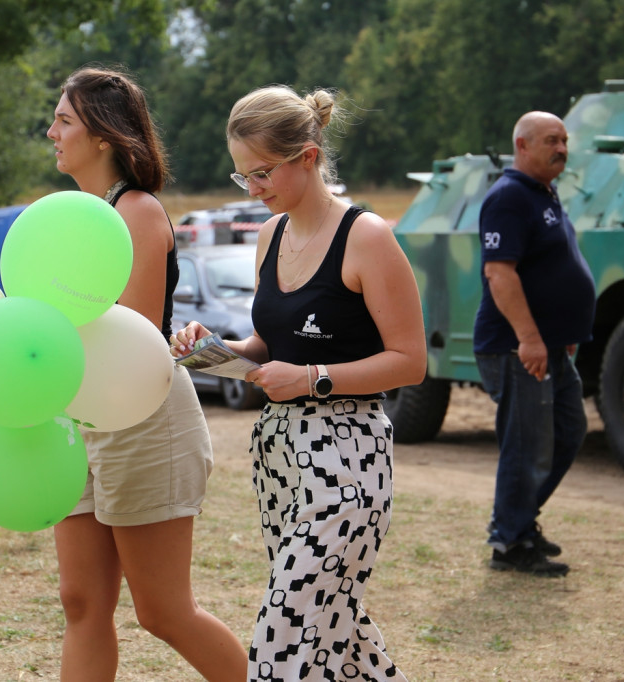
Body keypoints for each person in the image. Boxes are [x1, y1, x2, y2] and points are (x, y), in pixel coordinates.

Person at [171, 85, 426, 681]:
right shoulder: (271, 236)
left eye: (261, 173)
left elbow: (410, 361)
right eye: (242, 177)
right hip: (281, 456)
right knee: (336, 623)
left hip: (349, 460)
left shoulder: (368, 237)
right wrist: (213, 351)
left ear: (308, 156)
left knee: (286, 630)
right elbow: (270, 349)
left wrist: (313, 380)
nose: (252, 189)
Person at [45, 65, 248, 681]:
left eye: (64, 120)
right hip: (75, 411)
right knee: (80, 602)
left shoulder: (135, 211)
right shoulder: (69, 216)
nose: (51, 131)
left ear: (103, 135)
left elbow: (128, 331)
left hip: (140, 411)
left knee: (161, 612)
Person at [472, 111, 596, 577]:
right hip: (516, 347)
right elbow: (500, 275)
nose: (562, 148)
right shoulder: (507, 198)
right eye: (551, 140)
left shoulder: (543, 192)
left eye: (564, 140)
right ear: (522, 145)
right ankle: (510, 542)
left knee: (568, 431)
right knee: (528, 445)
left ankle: (518, 522)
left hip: (550, 346)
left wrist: (559, 336)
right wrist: (529, 338)